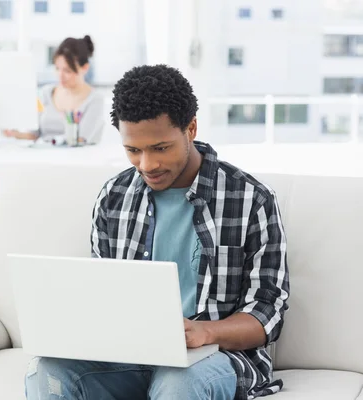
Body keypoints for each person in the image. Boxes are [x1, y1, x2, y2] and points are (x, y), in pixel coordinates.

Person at [25, 65, 290, 399]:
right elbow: (101, 294)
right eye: (133, 150)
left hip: (215, 357)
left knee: (179, 383)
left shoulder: (251, 199)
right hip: (129, 356)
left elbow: (268, 313)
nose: (147, 164)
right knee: (48, 372)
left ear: (191, 128)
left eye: (161, 148)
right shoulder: (114, 196)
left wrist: (204, 332)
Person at [0, 35, 104, 197]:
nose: (60, 75)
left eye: (68, 71)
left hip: (68, 165)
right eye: (57, 68)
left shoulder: (95, 100)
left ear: (84, 68)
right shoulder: (45, 93)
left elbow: (82, 140)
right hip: (39, 158)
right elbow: (34, 134)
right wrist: (15, 134)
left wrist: (47, 145)